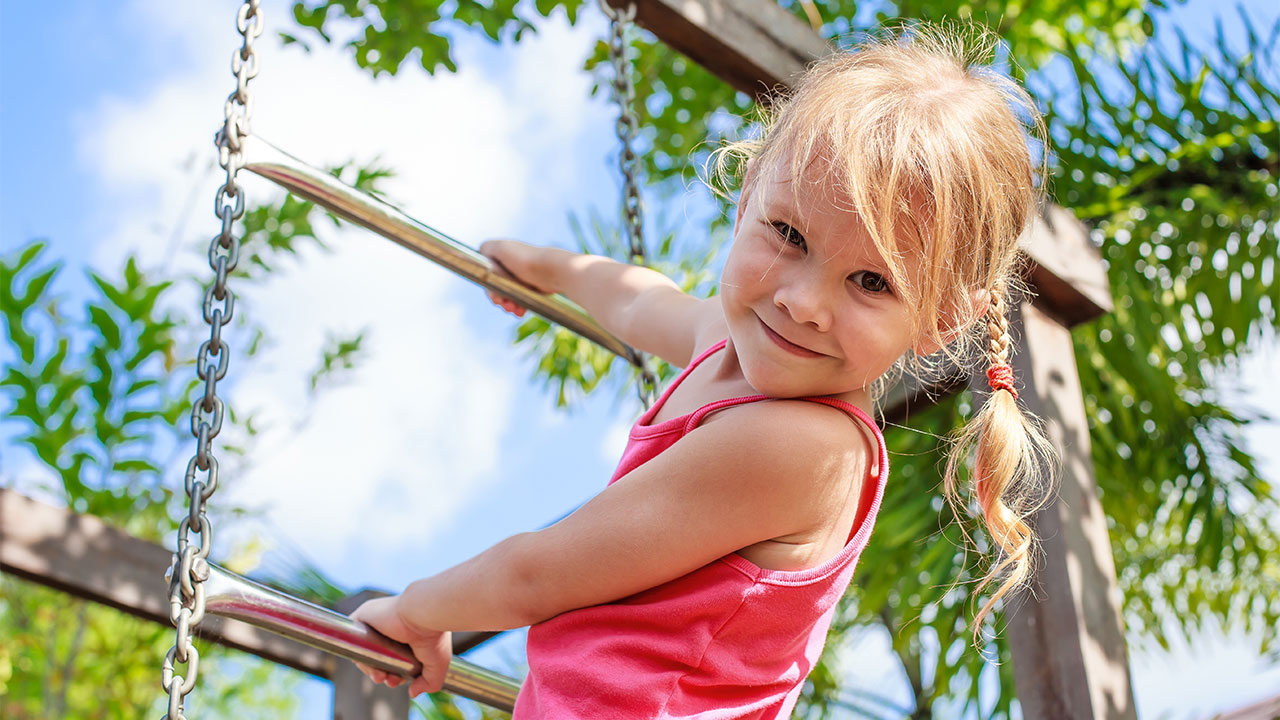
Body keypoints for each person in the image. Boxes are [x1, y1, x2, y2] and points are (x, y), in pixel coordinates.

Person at [350, 23, 1056, 718]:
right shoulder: (730, 339)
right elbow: (640, 302)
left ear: (941, 321)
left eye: (872, 282)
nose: (803, 302)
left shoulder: (803, 448)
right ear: (748, 197)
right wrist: (550, 268)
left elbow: (537, 574)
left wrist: (414, 611)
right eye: (789, 235)